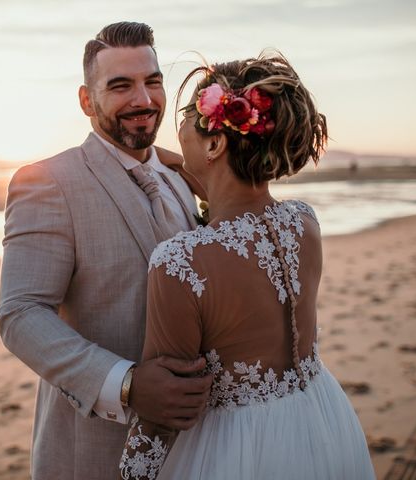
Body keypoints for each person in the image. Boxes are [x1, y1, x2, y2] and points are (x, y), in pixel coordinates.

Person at [119, 53, 376, 479]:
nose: (178, 126)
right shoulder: (302, 223)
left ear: (216, 143)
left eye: (187, 116)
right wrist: (190, 165)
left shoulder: (179, 263)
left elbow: (160, 418)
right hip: (322, 424)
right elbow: (234, 200)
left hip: (237, 451)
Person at [0, 22, 212, 480]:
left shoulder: (180, 180)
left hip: (195, 451)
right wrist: (127, 384)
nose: (143, 99)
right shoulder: (48, 182)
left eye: (152, 82)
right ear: (86, 101)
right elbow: (20, 313)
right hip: (94, 454)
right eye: (120, 86)